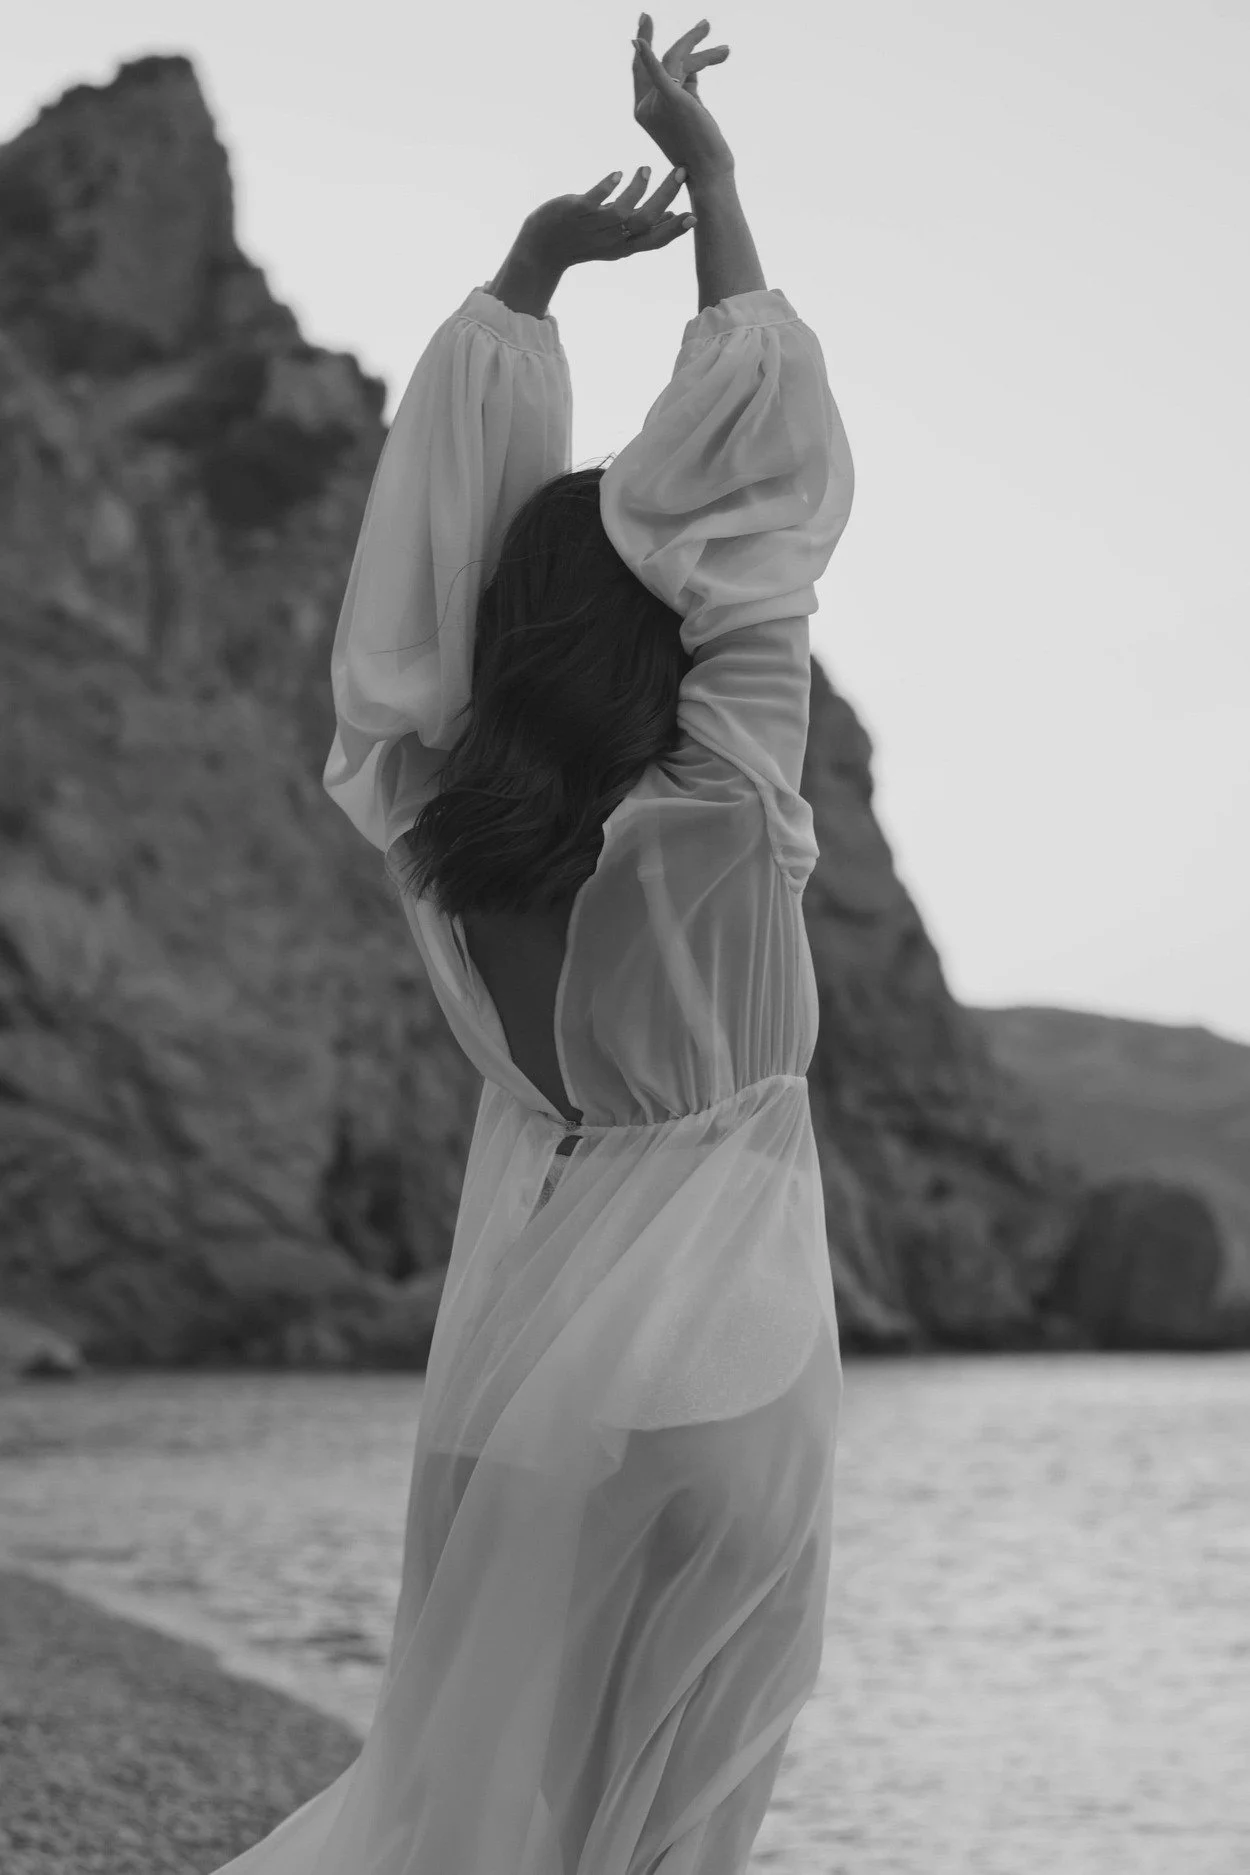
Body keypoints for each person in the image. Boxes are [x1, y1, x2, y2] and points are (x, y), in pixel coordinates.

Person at [211, 13, 855, 1872]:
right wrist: (713, 178)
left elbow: (408, 598)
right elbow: (757, 509)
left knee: (479, 1810)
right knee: (671, 1824)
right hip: (726, 1391)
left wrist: (521, 293)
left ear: (497, 644)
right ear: (675, 636)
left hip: (521, 1390)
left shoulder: (428, 828)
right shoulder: (725, 824)